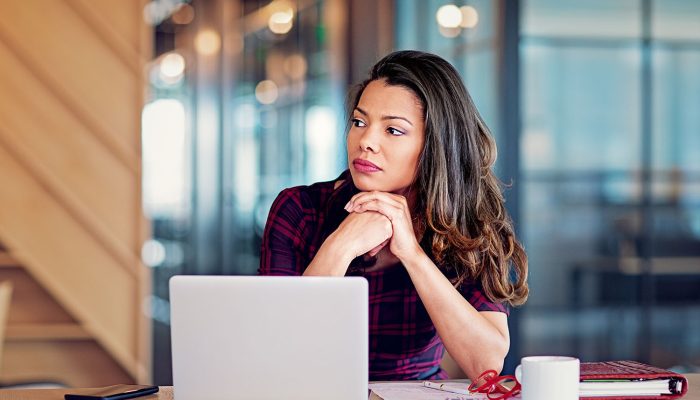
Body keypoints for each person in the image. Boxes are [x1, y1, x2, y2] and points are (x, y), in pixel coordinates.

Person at [259, 50, 528, 382]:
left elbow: (484, 364)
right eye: (359, 122)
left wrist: (412, 254)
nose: (366, 141)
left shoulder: (467, 222)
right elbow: (276, 349)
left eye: (393, 130)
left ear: (435, 145)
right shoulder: (299, 209)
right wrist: (341, 245)